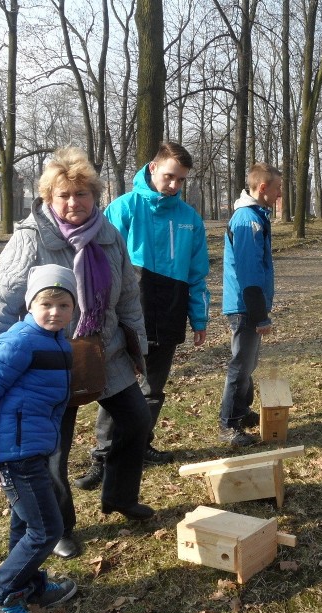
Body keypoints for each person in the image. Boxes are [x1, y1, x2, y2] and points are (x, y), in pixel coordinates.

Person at [0, 147, 155, 563]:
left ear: (96, 196)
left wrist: (137, 347)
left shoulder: (110, 237)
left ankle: (120, 497)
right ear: (48, 199)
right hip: (49, 360)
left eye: (82, 194)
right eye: (63, 196)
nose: (74, 203)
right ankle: (60, 527)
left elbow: (127, 297)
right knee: (54, 448)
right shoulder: (31, 239)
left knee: (136, 420)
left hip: (104, 351)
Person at [73, 141, 210, 490]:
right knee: (116, 387)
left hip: (169, 314)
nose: (174, 186)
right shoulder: (123, 209)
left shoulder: (190, 220)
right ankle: (103, 456)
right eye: (169, 177)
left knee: (152, 388)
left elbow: (197, 274)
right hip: (126, 317)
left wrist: (200, 319)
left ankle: (140, 444)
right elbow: (98, 266)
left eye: (181, 180)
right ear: (152, 168)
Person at [0, 265, 79, 613]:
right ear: (30, 305)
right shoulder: (19, 341)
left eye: (64, 304)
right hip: (12, 451)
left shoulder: (57, 340)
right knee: (47, 529)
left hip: (34, 446)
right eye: (46, 304)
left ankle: (30, 584)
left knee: (25, 522)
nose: (55, 312)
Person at [219, 162, 282, 446]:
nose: (280, 194)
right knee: (241, 365)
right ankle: (228, 424)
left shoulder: (257, 216)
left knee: (249, 362)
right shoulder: (247, 221)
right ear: (263, 188)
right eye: (278, 188)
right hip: (245, 306)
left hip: (250, 305)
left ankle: (242, 411)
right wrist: (260, 315)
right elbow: (249, 272)